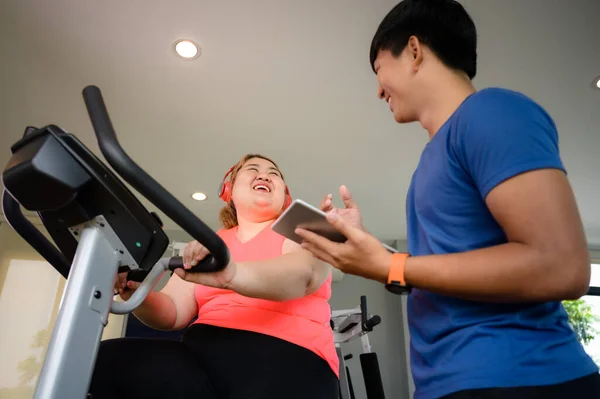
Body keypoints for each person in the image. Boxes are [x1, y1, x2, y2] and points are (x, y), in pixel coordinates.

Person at [296, 1, 600, 398]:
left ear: (415, 51)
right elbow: (443, 270)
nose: (377, 89)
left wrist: (393, 265)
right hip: (447, 384)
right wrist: (371, 250)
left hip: (522, 378)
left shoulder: (492, 111)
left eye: (379, 69)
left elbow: (563, 265)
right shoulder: (429, 161)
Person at [89, 154, 339, 399]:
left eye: (274, 173)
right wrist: (135, 291)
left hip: (288, 354)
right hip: (202, 355)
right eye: (252, 169)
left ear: (286, 196)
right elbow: (173, 312)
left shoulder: (300, 229)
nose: (265, 174)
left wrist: (231, 275)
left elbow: (303, 275)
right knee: (110, 361)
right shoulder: (213, 242)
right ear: (228, 190)